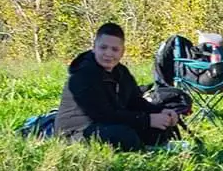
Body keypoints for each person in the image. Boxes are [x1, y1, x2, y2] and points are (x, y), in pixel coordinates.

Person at [56, 22, 181, 151]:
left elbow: (135, 101)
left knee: (160, 127)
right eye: (103, 48)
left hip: (108, 123)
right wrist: (146, 120)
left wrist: (160, 112)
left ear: (122, 52)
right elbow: (103, 115)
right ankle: (141, 149)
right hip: (78, 131)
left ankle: (151, 146)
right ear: (94, 48)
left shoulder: (121, 72)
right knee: (123, 136)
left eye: (114, 49)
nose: (108, 54)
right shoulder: (83, 75)